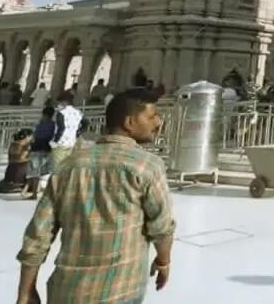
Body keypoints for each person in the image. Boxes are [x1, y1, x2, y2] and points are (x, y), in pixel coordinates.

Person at [16, 89, 175, 304]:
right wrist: (163, 261)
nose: (158, 122)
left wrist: (25, 290)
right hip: (121, 290)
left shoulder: (69, 165)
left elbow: (39, 233)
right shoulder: (147, 166)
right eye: (152, 116)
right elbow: (162, 226)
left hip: (68, 290)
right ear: (129, 122)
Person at [0, 128, 33, 194]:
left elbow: (12, 158)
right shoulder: (23, 145)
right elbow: (20, 158)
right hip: (19, 171)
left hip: (11, 171)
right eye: (31, 137)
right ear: (27, 137)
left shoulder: (14, 144)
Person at [25, 106, 57, 200]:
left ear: (44, 114)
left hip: (38, 148)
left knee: (35, 172)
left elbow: (36, 135)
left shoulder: (41, 124)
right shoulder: (53, 125)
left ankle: (34, 193)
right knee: (45, 171)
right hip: (47, 148)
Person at [50, 92, 83, 173]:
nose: (59, 104)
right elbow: (85, 123)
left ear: (64, 101)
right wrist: (78, 133)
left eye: (60, 102)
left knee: (57, 170)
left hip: (60, 144)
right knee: (67, 170)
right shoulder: (78, 112)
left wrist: (55, 141)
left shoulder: (61, 113)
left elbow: (61, 128)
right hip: (72, 143)